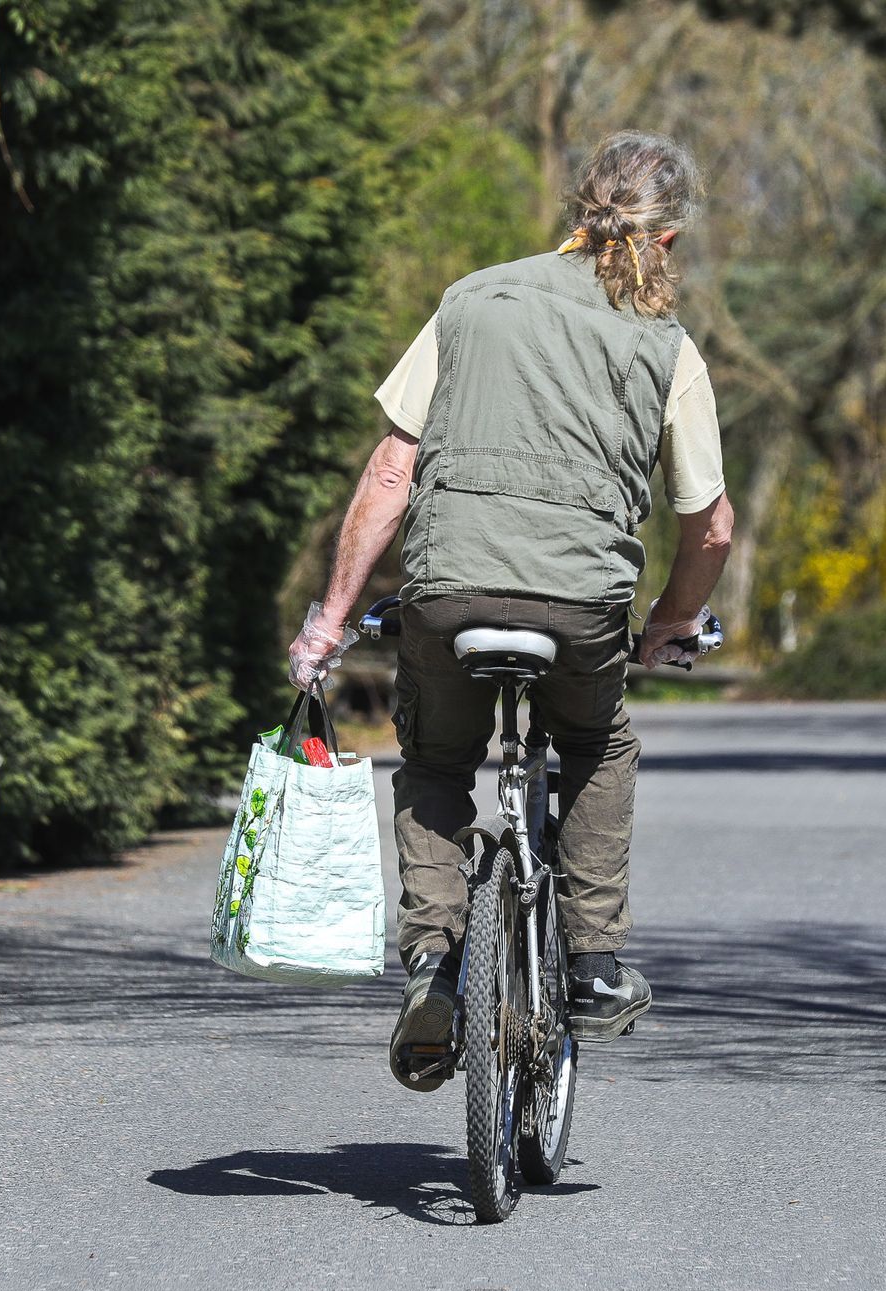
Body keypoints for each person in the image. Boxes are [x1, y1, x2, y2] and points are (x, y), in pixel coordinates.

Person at [286, 130, 734, 1092]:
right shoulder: (666, 344)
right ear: (665, 241)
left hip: (447, 594)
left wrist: (329, 620)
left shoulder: (471, 299)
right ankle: (593, 962)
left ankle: (433, 965)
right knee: (600, 746)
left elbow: (391, 470)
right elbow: (710, 526)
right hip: (581, 608)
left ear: (580, 212)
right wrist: (667, 624)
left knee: (439, 760)